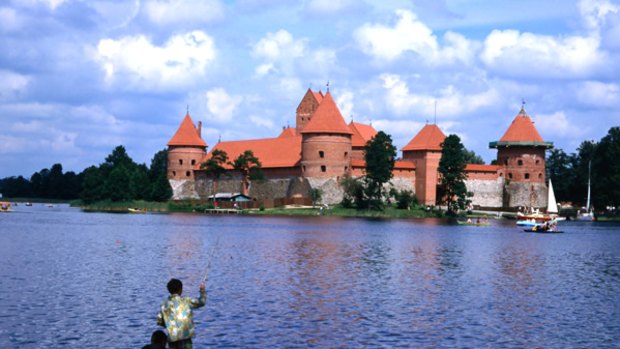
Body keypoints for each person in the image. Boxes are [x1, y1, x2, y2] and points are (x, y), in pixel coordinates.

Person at [157, 278, 206, 349]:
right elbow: (202, 302)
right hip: (185, 339)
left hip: (172, 340)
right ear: (181, 290)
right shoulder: (186, 301)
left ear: (169, 290)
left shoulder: (164, 305)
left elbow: (159, 321)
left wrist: (169, 324)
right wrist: (202, 290)